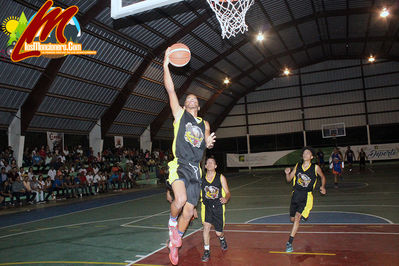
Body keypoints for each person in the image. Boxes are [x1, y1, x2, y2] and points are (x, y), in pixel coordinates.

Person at [164, 47, 216, 265]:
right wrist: (165, 64)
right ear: (185, 105)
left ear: (199, 105)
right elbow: (170, 90)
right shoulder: (179, 115)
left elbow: (205, 141)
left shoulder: (204, 123)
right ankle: (171, 222)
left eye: (195, 98)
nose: (191, 99)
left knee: (189, 210)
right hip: (180, 164)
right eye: (189, 98)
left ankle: (176, 243)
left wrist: (208, 142)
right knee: (181, 200)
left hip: (195, 169)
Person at [284, 147, 326, 253]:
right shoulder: (298, 166)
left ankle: (289, 243)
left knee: (297, 218)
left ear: (311, 157)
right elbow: (289, 180)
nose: (305, 154)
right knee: (292, 219)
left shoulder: (315, 168)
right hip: (295, 195)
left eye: (308, 153)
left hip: (306, 196)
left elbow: (323, 177)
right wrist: (287, 173)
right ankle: (304, 215)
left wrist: (323, 186)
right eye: (304, 153)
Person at [200, 157, 231, 262]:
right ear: (205, 166)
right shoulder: (202, 179)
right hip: (206, 206)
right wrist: (193, 208)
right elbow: (197, 194)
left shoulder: (220, 177)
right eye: (207, 162)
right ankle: (207, 251)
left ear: (215, 166)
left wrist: (226, 198)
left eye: (212, 162)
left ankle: (222, 238)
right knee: (206, 227)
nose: (209, 164)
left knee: (218, 233)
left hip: (218, 207)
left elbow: (227, 192)